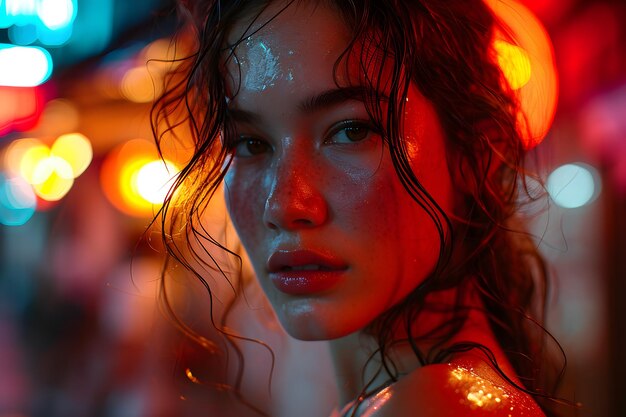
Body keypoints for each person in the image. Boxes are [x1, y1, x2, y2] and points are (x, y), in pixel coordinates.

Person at [151, 0, 570, 415]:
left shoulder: (439, 406)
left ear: (479, 146)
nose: (283, 204)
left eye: (351, 131)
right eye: (250, 143)